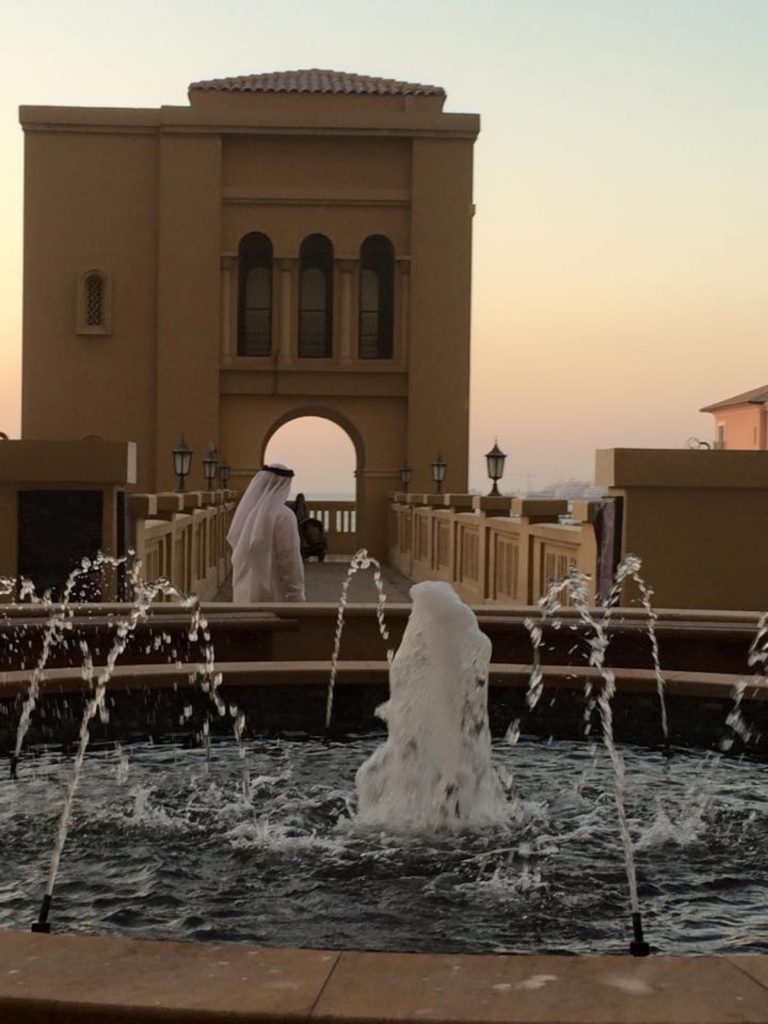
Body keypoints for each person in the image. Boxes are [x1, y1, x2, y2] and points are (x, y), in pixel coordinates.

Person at [226, 464, 306, 603]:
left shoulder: (248, 513)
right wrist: (297, 596)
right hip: (275, 599)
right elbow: (289, 561)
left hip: (243, 598)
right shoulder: (284, 516)